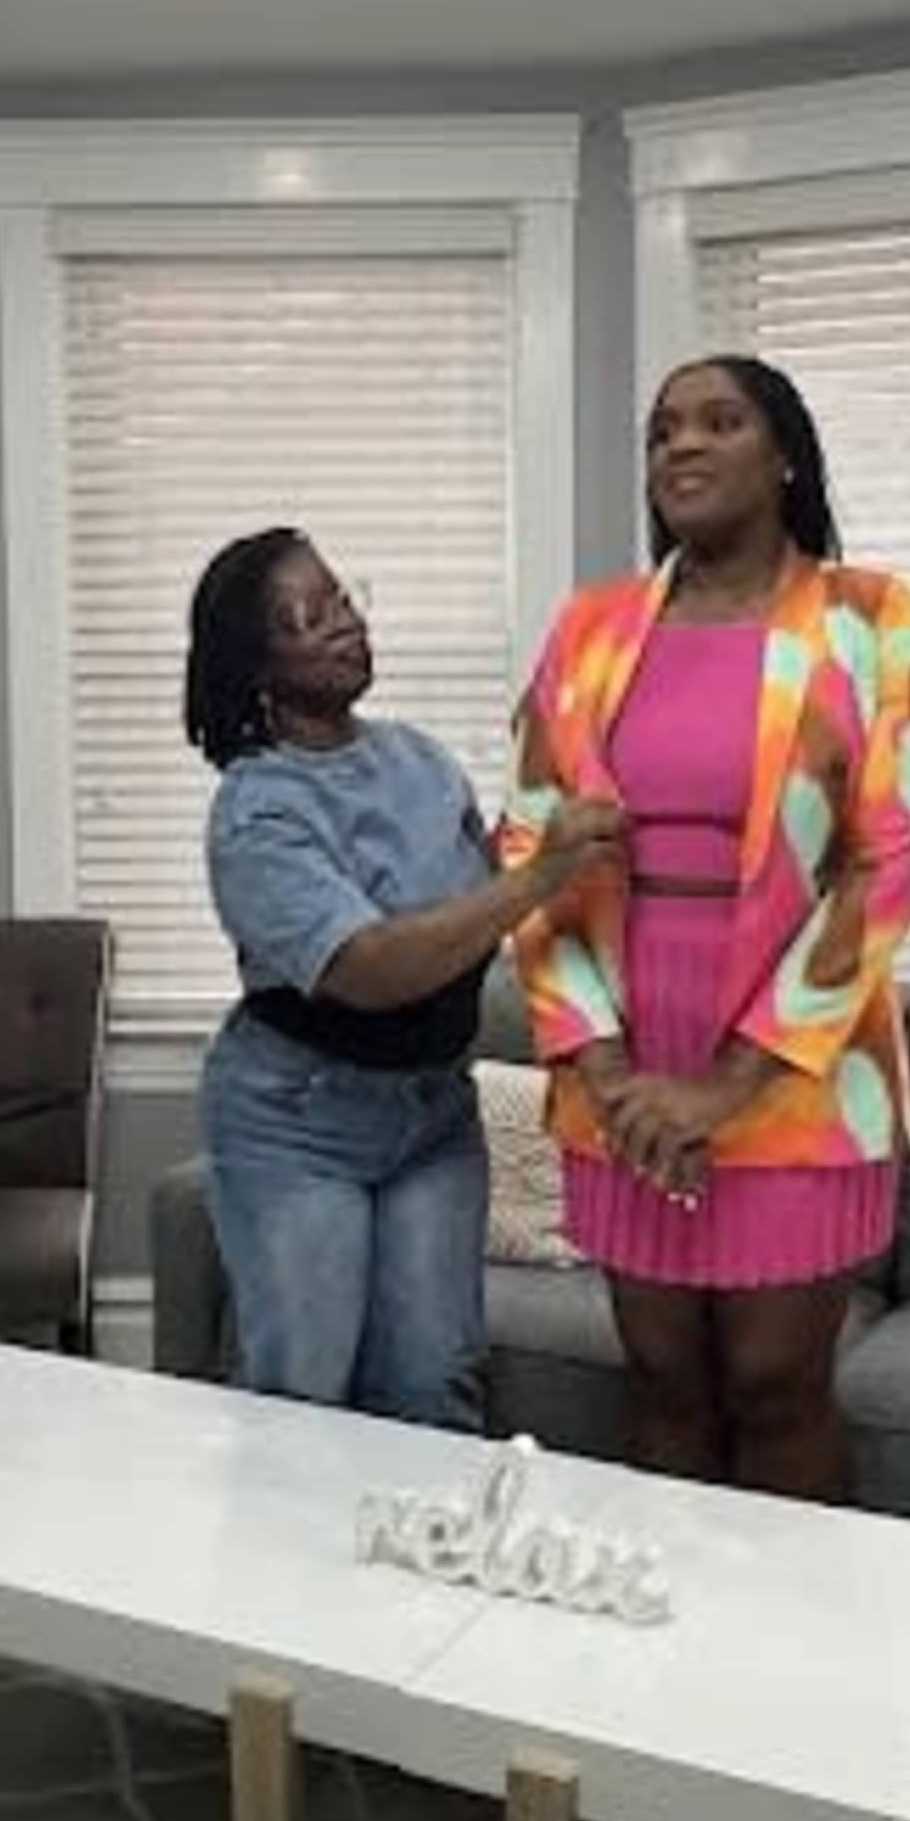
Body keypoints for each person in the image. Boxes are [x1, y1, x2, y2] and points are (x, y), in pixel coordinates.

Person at [499, 358, 910, 1503]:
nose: (682, 448)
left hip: (802, 1062)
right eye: (662, 433)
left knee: (775, 1386)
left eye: (718, 422)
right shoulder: (591, 629)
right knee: (659, 1383)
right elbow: (530, 850)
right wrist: (605, 1071)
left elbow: (886, 864)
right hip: (621, 1063)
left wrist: (727, 1085)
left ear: (783, 452)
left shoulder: (874, 620)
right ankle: (664, 1660)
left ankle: (790, 1660)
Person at [187, 528, 625, 1426]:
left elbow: (488, 902)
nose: (344, 625)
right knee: (305, 1397)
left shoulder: (420, 761)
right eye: (307, 620)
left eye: (341, 600)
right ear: (259, 665)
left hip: (431, 1116)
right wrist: (540, 874)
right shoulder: (257, 811)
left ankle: (417, 1567)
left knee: (435, 1389)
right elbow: (371, 967)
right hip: (298, 1125)